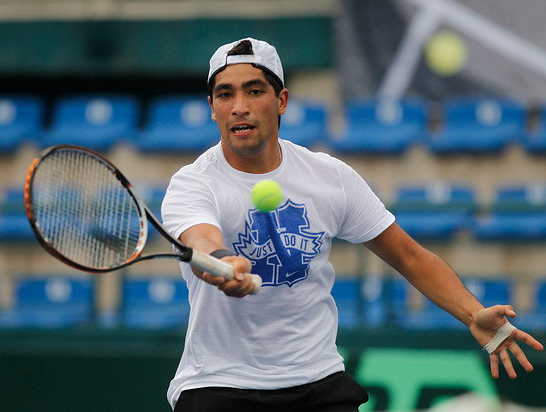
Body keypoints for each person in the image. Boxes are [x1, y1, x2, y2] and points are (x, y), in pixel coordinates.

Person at [161, 37, 543, 412]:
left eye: (254, 91)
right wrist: (224, 262)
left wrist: (471, 313)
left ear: (282, 101)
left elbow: (410, 257)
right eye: (225, 95)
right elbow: (201, 240)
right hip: (219, 385)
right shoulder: (192, 183)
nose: (239, 107)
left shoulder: (329, 176)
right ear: (212, 107)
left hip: (317, 383)